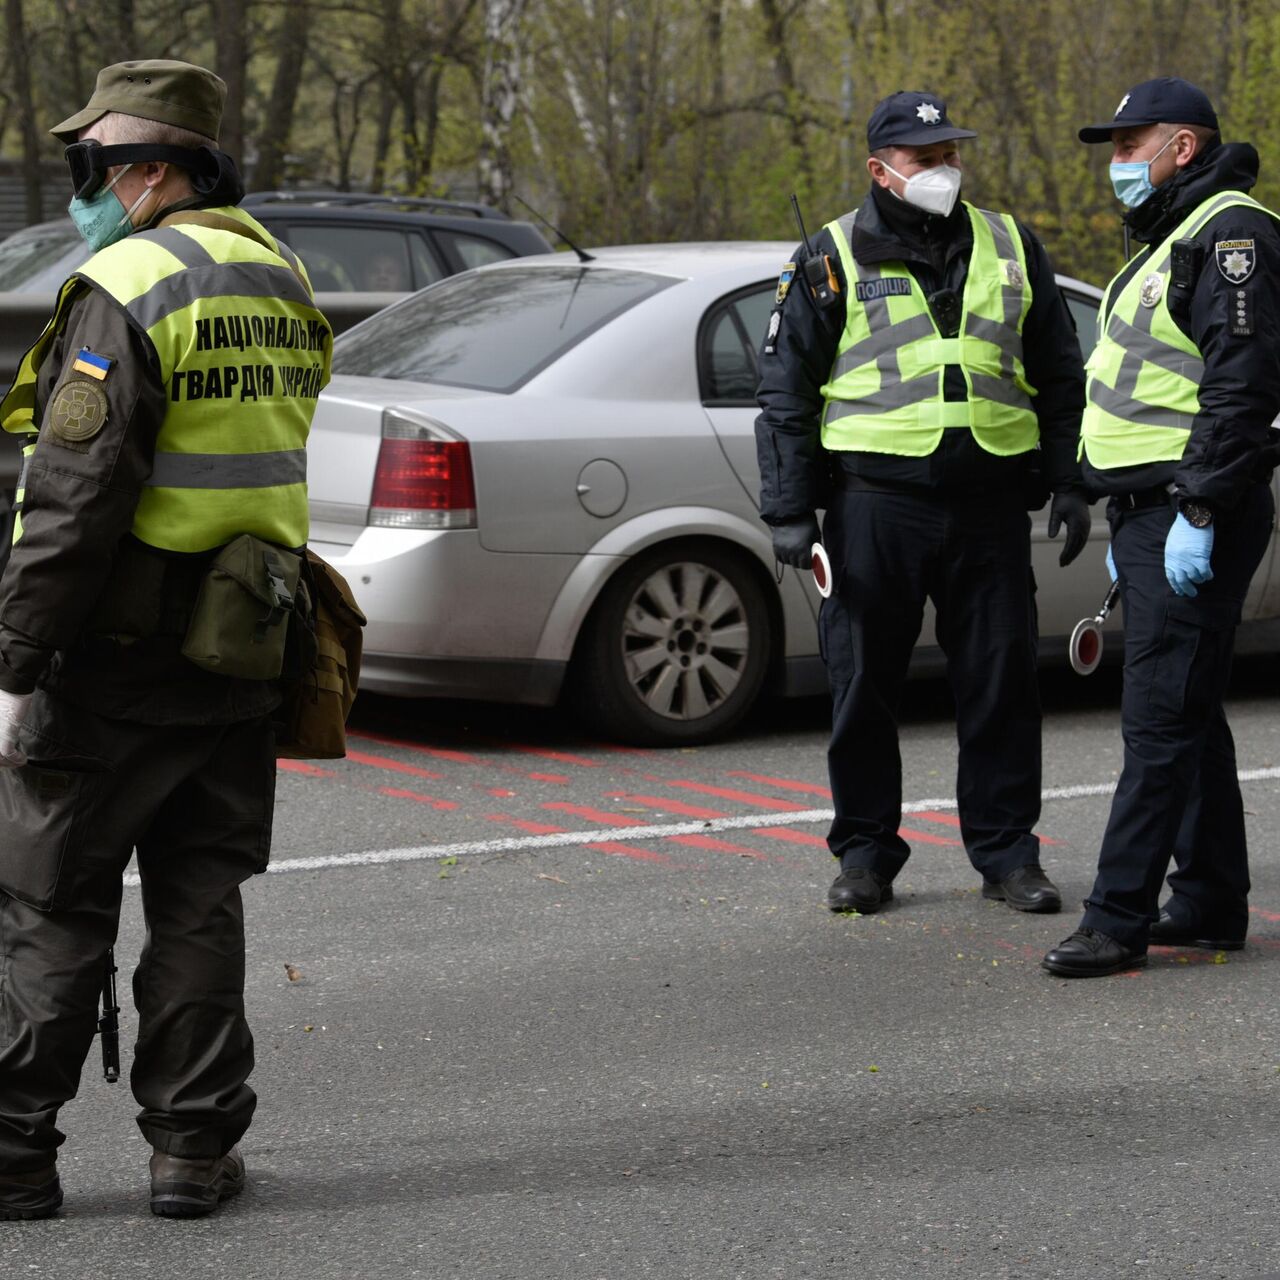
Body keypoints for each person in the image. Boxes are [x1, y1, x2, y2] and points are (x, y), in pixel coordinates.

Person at [0, 60, 331, 1217]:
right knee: (199, 898)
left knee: (51, 898)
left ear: (147, 169)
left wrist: (15, 658)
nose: (81, 189)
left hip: (115, 654)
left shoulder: (127, 281)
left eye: (88, 167)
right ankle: (192, 1150)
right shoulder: (283, 274)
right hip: (245, 642)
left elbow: (73, 502)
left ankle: (11, 1150)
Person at [755, 91, 1088, 918]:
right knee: (862, 685)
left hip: (989, 508)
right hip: (875, 509)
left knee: (1002, 685)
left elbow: (1058, 371)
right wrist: (789, 509)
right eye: (925, 158)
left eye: (950, 153)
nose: (945, 169)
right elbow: (785, 391)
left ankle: (1008, 853)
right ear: (881, 170)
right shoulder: (828, 256)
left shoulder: (1010, 243)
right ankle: (865, 855)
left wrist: (1073, 480)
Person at [1043, 78, 1280, 977]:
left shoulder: (1232, 234)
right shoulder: (1168, 237)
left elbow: (1242, 387)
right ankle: (1213, 898)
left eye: (1130, 143)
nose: (1117, 163)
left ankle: (1116, 919)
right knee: (1187, 712)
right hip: (1156, 510)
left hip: (1192, 511)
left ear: (1183, 147)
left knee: (1157, 720)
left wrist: (1201, 508)